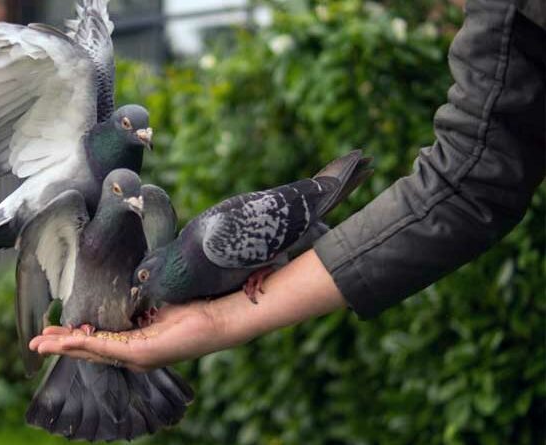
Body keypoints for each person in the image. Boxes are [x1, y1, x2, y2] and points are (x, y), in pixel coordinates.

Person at [29, 0, 545, 373]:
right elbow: (470, 176)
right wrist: (222, 321)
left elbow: (466, 178)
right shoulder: (504, 24)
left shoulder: (210, 239)